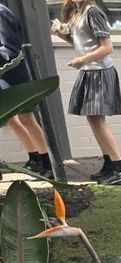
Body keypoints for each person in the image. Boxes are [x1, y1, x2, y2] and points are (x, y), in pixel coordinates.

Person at [51, 0, 121, 185]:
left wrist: (82, 60)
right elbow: (83, 43)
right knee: (93, 119)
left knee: (98, 120)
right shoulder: (76, 12)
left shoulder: (92, 12)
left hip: (99, 71)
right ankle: (110, 166)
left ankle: (120, 169)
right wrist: (62, 35)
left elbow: (107, 47)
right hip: (90, 71)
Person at [0, 0, 54, 180]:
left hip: (14, 74)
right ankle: (34, 157)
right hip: (3, 76)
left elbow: (10, 48)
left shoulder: (2, 13)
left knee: (27, 118)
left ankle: (47, 163)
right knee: (10, 119)